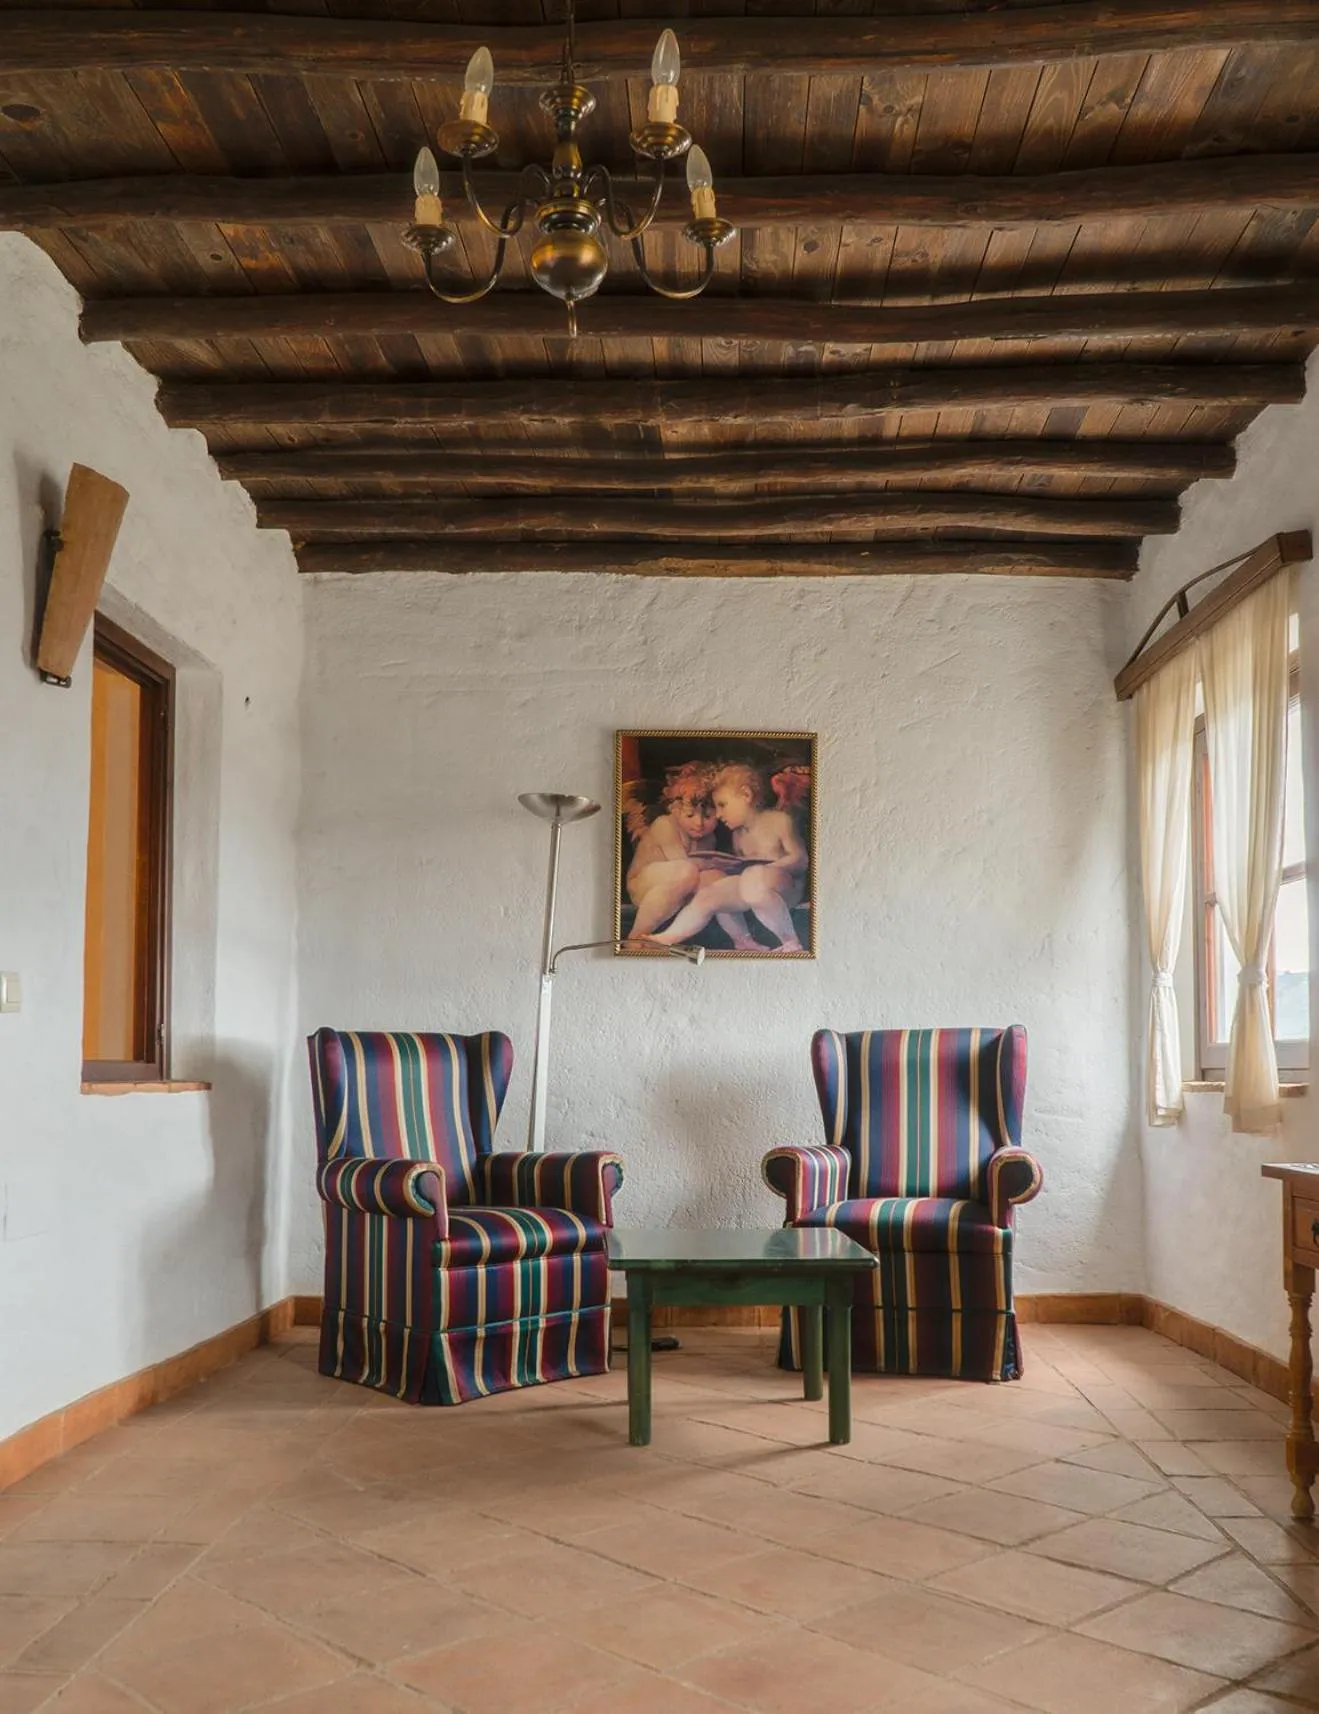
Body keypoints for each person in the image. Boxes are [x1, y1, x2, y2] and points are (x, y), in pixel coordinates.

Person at [646, 761, 809, 952]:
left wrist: (769, 868)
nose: (719, 814)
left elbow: (800, 859)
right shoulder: (737, 836)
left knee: (753, 876)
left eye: (722, 805)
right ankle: (670, 937)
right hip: (752, 888)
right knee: (711, 893)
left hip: (786, 890)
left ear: (746, 795)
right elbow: (742, 871)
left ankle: (790, 941)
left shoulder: (779, 820)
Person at [623, 763, 753, 942]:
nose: (699, 823)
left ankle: (743, 940)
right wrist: (714, 863)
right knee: (687, 870)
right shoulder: (665, 825)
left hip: (681, 889)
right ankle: (636, 937)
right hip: (644, 887)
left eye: (708, 816)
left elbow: (702, 874)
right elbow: (683, 864)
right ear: (674, 810)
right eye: (690, 815)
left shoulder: (709, 839)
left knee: (716, 879)